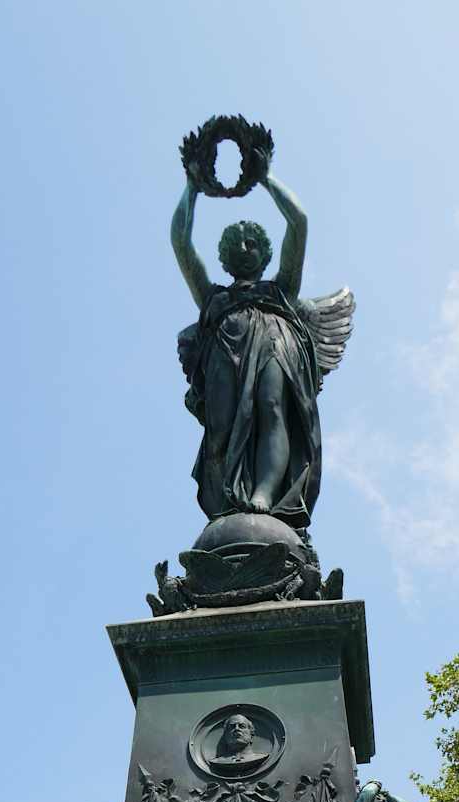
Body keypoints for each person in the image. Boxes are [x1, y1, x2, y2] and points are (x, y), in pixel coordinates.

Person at [172, 143, 350, 527]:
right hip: (225, 346)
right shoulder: (213, 299)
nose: (243, 247)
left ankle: (265, 493)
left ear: (266, 253)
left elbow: (298, 221)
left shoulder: (281, 289)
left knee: (272, 408)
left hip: (274, 340)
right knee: (220, 428)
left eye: (252, 242)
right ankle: (225, 504)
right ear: (224, 257)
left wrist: (266, 178)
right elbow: (181, 244)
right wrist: (191, 186)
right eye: (235, 244)